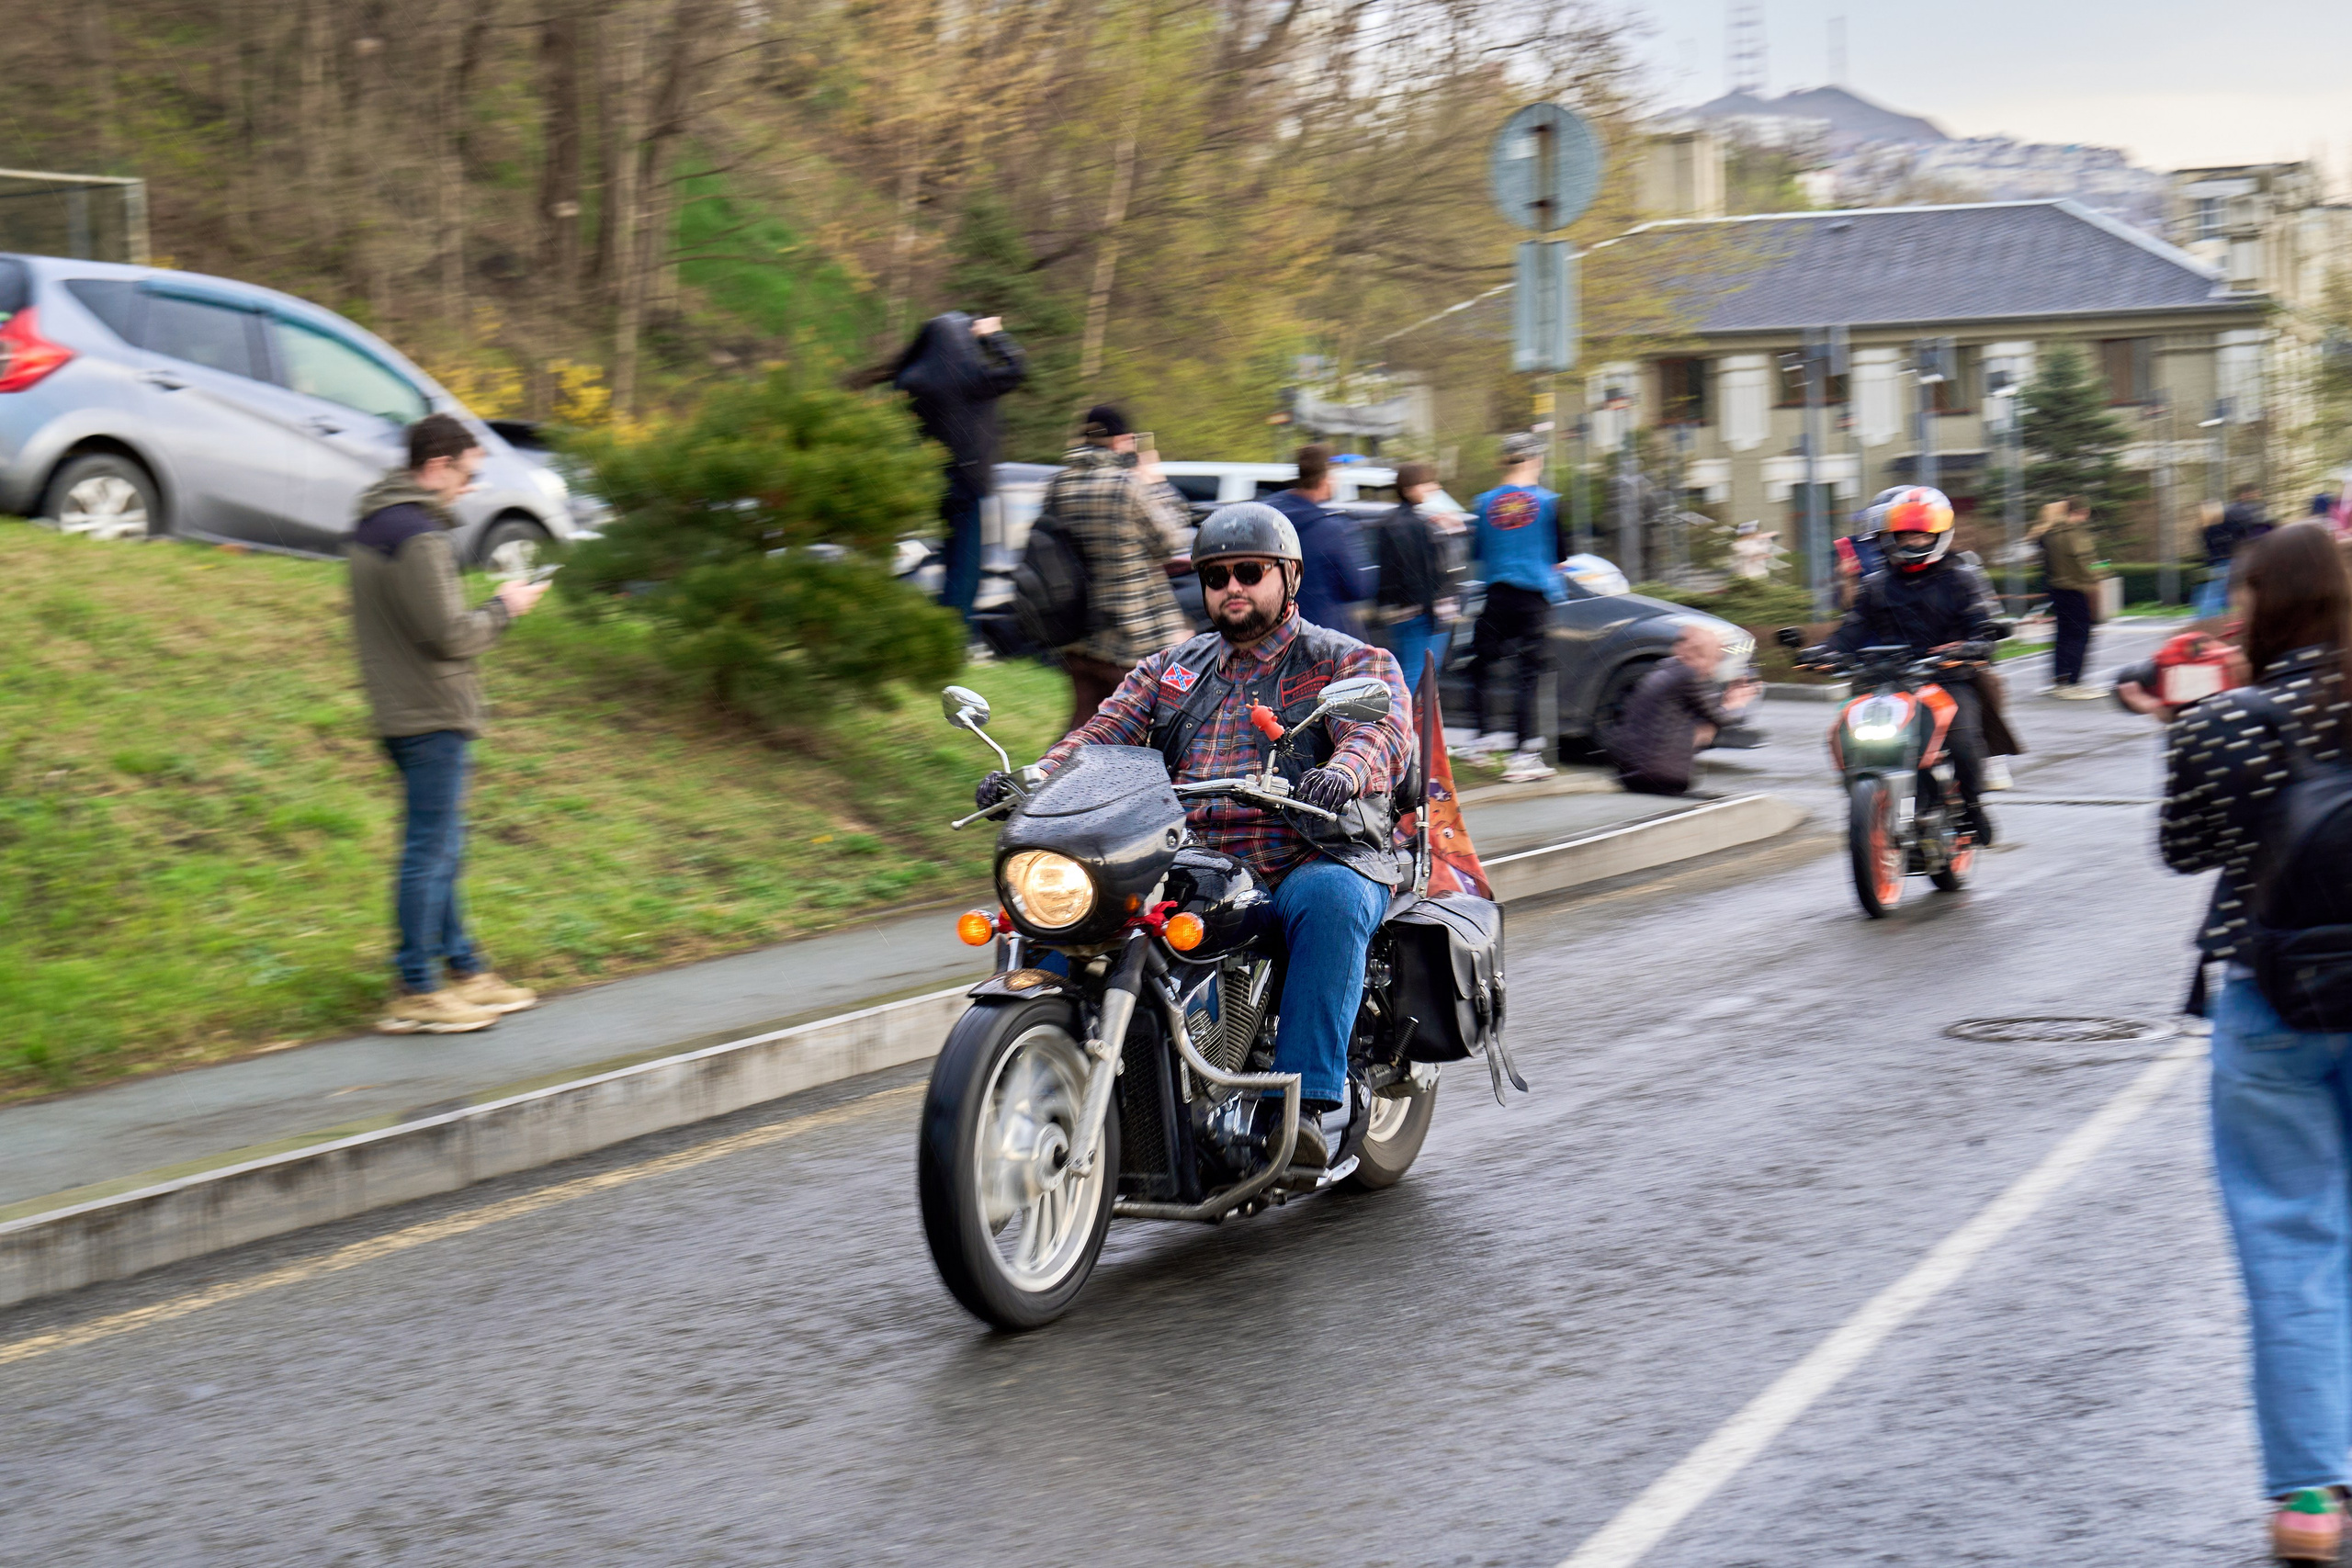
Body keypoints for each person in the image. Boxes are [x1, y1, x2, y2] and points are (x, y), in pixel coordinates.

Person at [973, 502, 1413, 1168]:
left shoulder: (1343, 659)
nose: (1231, 587)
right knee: (1066, 911)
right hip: (1191, 858)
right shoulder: (1171, 670)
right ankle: (1037, 1077)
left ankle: (1304, 1107)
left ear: (1289, 576)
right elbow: (1100, 734)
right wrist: (1032, 778)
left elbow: (1381, 732)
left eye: (1248, 571)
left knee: (1332, 900)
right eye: (1215, 576)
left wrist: (1344, 771)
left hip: (1307, 850)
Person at [2132, 523, 2352, 1565]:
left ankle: (2310, 1497)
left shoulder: (2227, 720)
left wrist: (2186, 718)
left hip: (2273, 999)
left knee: (2292, 1244)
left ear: (2259, 607)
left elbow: (2181, 852)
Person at [349, 413, 548, 1034]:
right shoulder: (417, 535)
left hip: (403, 708)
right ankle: (415, 986)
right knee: (430, 851)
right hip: (430, 712)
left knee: (442, 848)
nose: (470, 488)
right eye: (468, 474)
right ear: (437, 466)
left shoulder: (377, 524)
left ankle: (465, 969)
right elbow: (450, 635)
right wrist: (504, 607)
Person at [1817, 485, 2004, 842]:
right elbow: (1851, 630)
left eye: (1921, 535)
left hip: (1947, 679)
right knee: (1841, 733)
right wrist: (1825, 651)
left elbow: (1981, 624)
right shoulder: (1876, 585)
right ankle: (1866, 801)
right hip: (1887, 680)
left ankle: (1972, 807)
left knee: (1963, 739)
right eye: (1904, 535)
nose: (1912, 542)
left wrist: (1976, 644)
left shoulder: (1961, 579)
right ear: (1890, 536)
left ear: (1939, 536)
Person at [1043, 403, 1193, 728]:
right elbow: (1171, 540)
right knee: (1139, 730)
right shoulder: (1127, 485)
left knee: (1082, 725)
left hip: (1078, 630)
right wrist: (1156, 482)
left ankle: (1049, 777)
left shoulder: (1059, 484)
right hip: (1130, 637)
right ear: (1123, 441)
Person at [887, 311, 1026, 629]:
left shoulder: (912, 381)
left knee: (949, 560)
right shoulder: (973, 378)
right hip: (969, 479)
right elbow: (1017, 369)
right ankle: (954, 636)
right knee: (966, 566)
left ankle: (942, 630)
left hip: (932, 477)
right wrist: (992, 336)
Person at [1463, 431, 1566, 784]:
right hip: (1534, 597)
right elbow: (1561, 557)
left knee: (1483, 664)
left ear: (1502, 463)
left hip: (1496, 595)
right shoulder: (1550, 502)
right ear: (1535, 460)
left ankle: (1483, 738)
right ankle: (1524, 755)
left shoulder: (1483, 502)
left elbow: (1477, 554)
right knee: (1529, 676)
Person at [1607, 623, 1760, 795]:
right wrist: (1738, 703)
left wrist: (1724, 704)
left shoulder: (1665, 667)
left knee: (1704, 727)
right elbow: (1721, 717)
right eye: (1715, 658)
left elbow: (1705, 711)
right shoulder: (1689, 675)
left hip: (1630, 772)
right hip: (1661, 776)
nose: (1714, 666)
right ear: (1703, 655)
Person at [1262, 444, 1372, 637]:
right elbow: (1358, 588)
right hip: (1319, 636)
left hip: (1271, 632)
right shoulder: (1331, 530)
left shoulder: (1266, 517)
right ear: (1326, 480)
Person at [1372, 460, 1456, 686]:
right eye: (1424, 483)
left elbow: (1388, 571)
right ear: (1409, 487)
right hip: (1420, 612)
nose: (1431, 487)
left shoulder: (1387, 523)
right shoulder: (1420, 525)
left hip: (1398, 612)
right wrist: (1432, 611)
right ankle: (1408, 721)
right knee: (1418, 676)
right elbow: (1424, 574)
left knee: (1403, 671)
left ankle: (1401, 718)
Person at [2032, 497, 2103, 696]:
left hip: (2057, 588)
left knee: (2063, 635)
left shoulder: (2049, 533)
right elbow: (2086, 560)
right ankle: (2074, 681)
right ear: (2084, 511)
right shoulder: (2074, 533)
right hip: (2077, 588)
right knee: (2080, 635)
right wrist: (2103, 570)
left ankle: (2060, 679)